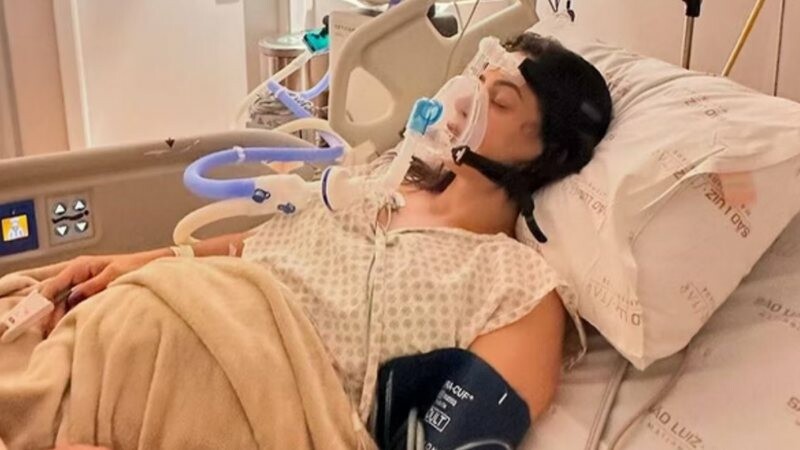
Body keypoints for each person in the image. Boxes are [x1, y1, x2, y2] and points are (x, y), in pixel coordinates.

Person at [39, 32, 612, 440]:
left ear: (549, 153)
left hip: (236, 394)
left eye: (500, 100)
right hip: (159, 315)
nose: (466, 104)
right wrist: (146, 259)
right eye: (477, 83)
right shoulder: (375, 182)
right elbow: (257, 246)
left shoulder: (519, 289)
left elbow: (454, 438)